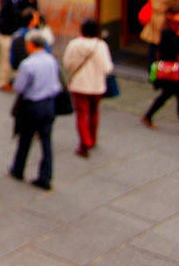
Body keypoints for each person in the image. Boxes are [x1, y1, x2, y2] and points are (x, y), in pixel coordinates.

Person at [9, 30, 62, 191]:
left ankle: (18, 169)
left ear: (31, 45)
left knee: (25, 138)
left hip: (33, 105)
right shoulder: (52, 60)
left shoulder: (28, 64)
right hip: (49, 104)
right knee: (46, 141)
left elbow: (19, 87)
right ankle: (45, 176)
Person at [141, 5, 179, 137]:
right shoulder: (167, 32)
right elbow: (174, 50)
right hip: (172, 70)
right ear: (171, 16)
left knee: (167, 96)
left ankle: (148, 116)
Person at [63, 19, 114, 158]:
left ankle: (84, 142)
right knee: (94, 112)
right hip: (97, 85)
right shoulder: (101, 45)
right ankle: (93, 138)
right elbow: (108, 68)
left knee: (81, 114)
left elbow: (67, 64)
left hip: (79, 85)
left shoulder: (74, 44)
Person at [140, 0, 179, 66]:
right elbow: (175, 6)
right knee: (161, 44)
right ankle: (160, 67)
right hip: (163, 19)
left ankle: (150, 65)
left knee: (152, 44)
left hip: (152, 17)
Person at [0, 0, 23, 91]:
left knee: (13, 58)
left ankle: (11, 80)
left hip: (14, 33)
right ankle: (2, 81)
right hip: (5, 34)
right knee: (5, 58)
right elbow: (5, 12)